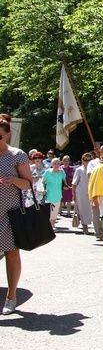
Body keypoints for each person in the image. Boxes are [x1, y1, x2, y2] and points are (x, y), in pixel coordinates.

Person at [0, 114, 33, 315]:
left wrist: (13, 180)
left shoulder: (17, 155)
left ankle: (11, 297)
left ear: (7, 135)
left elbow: (28, 183)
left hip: (10, 213)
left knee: (12, 253)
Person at [42, 158, 67, 230]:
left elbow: (64, 180)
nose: (56, 165)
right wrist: (43, 189)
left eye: (57, 163)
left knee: (55, 210)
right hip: (49, 193)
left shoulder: (61, 172)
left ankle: (53, 224)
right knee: (49, 210)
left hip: (58, 193)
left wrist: (65, 185)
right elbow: (43, 181)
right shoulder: (48, 172)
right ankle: (49, 225)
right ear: (52, 164)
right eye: (54, 163)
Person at [72, 153, 93, 235]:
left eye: (89, 160)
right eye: (85, 160)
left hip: (91, 193)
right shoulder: (79, 170)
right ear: (82, 161)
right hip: (81, 193)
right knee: (83, 210)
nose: (87, 162)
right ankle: (85, 227)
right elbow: (74, 184)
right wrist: (73, 195)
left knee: (90, 211)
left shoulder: (93, 169)